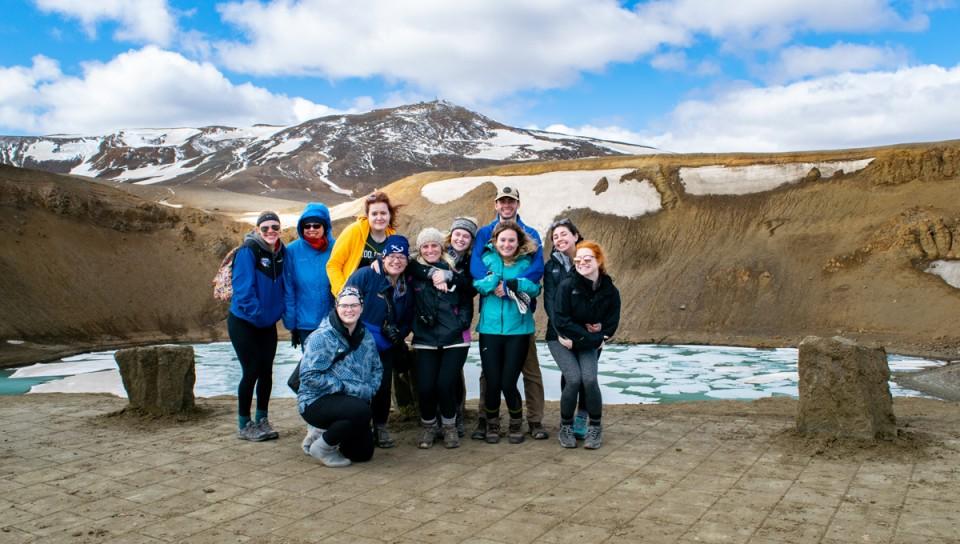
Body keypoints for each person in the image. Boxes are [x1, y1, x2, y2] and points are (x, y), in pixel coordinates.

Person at [469, 186, 548, 440]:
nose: (506, 206)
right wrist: (492, 283)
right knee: (490, 375)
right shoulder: (484, 233)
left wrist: (511, 286)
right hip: (492, 319)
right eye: (502, 201)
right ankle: (486, 419)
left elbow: (536, 270)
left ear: (517, 204)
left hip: (520, 317)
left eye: (511, 201)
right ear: (495, 204)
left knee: (529, 371)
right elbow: (476, 265)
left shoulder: (530, 234)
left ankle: (533, 420)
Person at [298, 287, 382, 467]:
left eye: (354, 305)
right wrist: (348, 388)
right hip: (316, 400)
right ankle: (321, 447)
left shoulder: (365, 335)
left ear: (361, 307)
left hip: (353, 402)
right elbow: (309, 376)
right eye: (344, 305)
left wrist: (370, 389)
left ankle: (326, 433)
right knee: (361, 411)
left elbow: (377, 367)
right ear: (336, 307)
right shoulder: (321, 337)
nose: (349, 310)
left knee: (362, 454)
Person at [550, 241, 621, 449]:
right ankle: (566, 426)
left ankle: (596, 427)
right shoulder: (568, 285)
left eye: (587, 259)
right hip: (561, 339)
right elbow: (561, 320)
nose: (582, 263)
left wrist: (600, 336)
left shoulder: (609, 290)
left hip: (586, 342)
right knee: (573, 379)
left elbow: (611, 322)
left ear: (598, 260)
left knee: (589, 379)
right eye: (578, 260)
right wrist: (593, 337)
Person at [345, 235, 413, 448]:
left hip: (385, 346)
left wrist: (399, 334)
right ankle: (360, 425)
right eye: (392, 255)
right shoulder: (365, 275)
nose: (396, 260)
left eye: (401, 256)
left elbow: (407, 319)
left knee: (382, 387)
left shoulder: (406, 288)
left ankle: (381, 427)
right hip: (358, 343)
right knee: (358, 387)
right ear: (383, 257)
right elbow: (345, 303)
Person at [409, 227, 474, 449]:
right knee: (426, 387)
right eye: (425, 246)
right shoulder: (413, 270)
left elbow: (467, 295)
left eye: (434, 245)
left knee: (445, 384)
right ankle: (429, 426)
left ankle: (449, 426)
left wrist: (461, 323)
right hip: (425, 336)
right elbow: (405, 264)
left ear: (441, 247)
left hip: (455, 337)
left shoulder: (453, 269)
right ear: (419, 249)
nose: (430, 250)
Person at [228, 211, 286, 441]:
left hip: (266, 323)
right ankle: (244, 424)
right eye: (265, 228)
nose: (271, 231)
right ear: (257, 230)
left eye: (275, 227)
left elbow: (285, 285)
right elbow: (243, 291)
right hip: (244, 322)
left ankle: (262, 419)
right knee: (251, 370)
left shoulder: (281, 253)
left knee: (266, 371)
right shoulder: (248, 251)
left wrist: (278, 313)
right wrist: (260, 315)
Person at [543, 218, 589, 439]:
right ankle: (567, 420)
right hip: (559, 334)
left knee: (588, 377)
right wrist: (561, 330)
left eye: (563, 234)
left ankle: (582, 415)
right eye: (555, 237)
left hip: (587, 332)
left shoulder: (590, 260)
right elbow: (550, 302)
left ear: (576, 235)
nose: (559, 239)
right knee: (571, 376)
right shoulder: (551, 266)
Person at [443, 216, 479, 436]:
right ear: (451, 234)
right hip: (437, 321)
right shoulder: (438, 253)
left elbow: (472, 288)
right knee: (441, 374)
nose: (461, 238)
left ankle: (457, 415)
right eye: (458, 234)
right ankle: (443, 415)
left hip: (459, 320)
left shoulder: (473, 262)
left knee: (454, 372)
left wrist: (452, 278)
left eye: (466, 236)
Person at [327, 190, 399, 296]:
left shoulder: (393, 239)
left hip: (379, 298)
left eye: (383, 213)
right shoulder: (354, 231)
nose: (379, 218)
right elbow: (333, 265)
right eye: (374, 214)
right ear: (367, 216)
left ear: (389, 215)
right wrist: (342, 292)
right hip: (352, 297)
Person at [284, 202, 335, 347]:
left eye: (316, 225)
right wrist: (292, 325)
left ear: (325, 226)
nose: (311, 229)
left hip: (334, 323)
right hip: (306, 324)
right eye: (307, 225)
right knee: (312, 367)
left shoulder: (337, 248)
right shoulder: (292, 251)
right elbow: (289, 289)